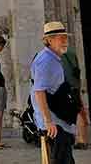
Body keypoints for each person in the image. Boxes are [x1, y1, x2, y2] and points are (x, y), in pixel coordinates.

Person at [30, 21, 77, 164]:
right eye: (60, 38)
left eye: (65, 37)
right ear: (49, 40)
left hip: (58, 121)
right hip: (53, 124)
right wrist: (48, 121)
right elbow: (39, 92)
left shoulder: (52, 58)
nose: (65, 41)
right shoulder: (46, 61)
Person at [60, 42, 90, 149]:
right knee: (79, 111)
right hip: (74, 85)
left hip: (66, 86)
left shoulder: (58, 53)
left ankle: (81, 140)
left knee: (77, 113)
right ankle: (82, 139)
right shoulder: (71, 52)